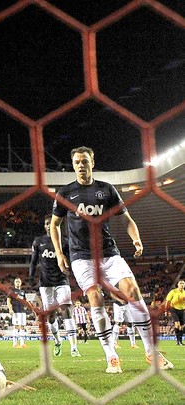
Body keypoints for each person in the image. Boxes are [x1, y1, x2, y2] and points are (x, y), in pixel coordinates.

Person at [50, 146, 173, 373]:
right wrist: (59, 253)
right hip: (81, 257)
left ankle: (150, 352)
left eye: (84, 161)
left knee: (133, 292)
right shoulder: (65, 193)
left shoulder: (106, 190)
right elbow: (54, 225)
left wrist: (136, 239)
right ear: (73, 164)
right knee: (95, 297)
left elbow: (126, 219)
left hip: (108, 253)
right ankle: (111, 356)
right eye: (76, 162)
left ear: (92, 162)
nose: (80, 165)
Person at [29, 215, 80, 357]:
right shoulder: (38, 242)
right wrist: (31, 277)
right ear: (44, 226)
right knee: (51, 317)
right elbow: (33, 262)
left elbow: (71, 261)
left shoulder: (65, 242)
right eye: (46, 223)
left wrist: (73, 274)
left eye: (50, 223)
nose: (48, 226)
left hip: (62, 281)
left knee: (66, 310)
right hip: (46, 284)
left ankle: (74, 348)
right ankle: (58, 341)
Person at [7, 278, 29, 349]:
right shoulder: (12, 291)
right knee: (16, 326)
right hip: (16, 311)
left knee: (22, 327)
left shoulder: (22, 292)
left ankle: (22, 343)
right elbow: (8, 301)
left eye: (19, 281)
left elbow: (25, 301)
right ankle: (15, 343)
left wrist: (26, 306)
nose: (18, 283)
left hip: (22, 311)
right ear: (14, 283)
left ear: (21, 283)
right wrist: (10, 309)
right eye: (16, 281)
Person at [164, 279, 185, 346]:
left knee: (182, 326)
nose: (182, 285)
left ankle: (181, 341)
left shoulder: (184, 292)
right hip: (174, 309)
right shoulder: (173, 291)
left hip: (182, 310)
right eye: (180, 283)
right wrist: (166, 310)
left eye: (183, 283)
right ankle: (177, 341)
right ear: (178, 284)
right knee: (177, 324)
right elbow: (167, 301)